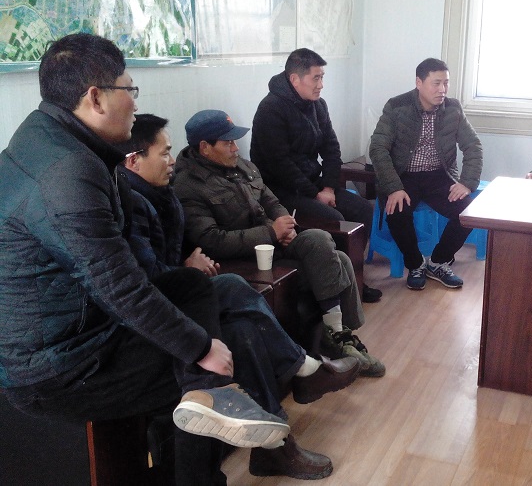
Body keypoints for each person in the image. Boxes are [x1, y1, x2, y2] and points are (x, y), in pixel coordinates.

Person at [0, 33, 292, 486]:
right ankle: (212, 433)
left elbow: (129, 270)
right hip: (59, 366)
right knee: (219, 346)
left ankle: (209, 398)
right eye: (129, 89)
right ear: (96, 98)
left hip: (81, 327)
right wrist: (200, 348)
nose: (135, 104)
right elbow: (117, 286)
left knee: (192, 286)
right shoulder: (67, 171)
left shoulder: (54, 139)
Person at [118, 113, 361, 479]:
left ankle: (279, 435)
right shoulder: (137, 200)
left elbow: (268, 201)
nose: (171, 160)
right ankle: (300, 383)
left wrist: (280, 224)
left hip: (184, 288)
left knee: (252, 316)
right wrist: (186, 265)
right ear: (133, 161)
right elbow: (142, 276)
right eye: (164, 153)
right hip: (156, 313)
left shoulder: (160, 192)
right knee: (234, 293)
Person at [172, 109, 385, 378]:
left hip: (274, 242)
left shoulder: (244, 167)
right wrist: (271, 233)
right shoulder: (189, 186)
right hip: (245, 257)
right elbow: (212, 240)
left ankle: (340, 335)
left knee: (321, 241)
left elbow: (271, 201)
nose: (236, 148)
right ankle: (340, 340)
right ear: (204, 147)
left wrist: (285, 223)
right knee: (338, 259)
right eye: (228, 143)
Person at [250, 48, 382, 303]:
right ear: (295, 79)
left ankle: (353, 279)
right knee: (335, 219)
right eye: (316, 78)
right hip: (280, 190)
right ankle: (334, 286)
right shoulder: (270, 109)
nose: (321, 85)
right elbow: (280, 166)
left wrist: (329, 188)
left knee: (363, 210)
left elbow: (332, 149)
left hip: (313, 184)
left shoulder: (318, 105)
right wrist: (316, 194)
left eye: (322, 77)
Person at [369, 58, 483, 291]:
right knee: (397, 213)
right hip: (404, 176)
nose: (442, 89)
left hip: (439, 175)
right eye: (436, 83)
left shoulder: (453, 109)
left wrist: (466, 183)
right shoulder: (396, 107)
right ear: (419, 83)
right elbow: (378, 148)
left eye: (446, 83)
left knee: (468, 213)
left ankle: (439, 262)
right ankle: (415, 264)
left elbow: (473, 146)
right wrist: (393, 187)